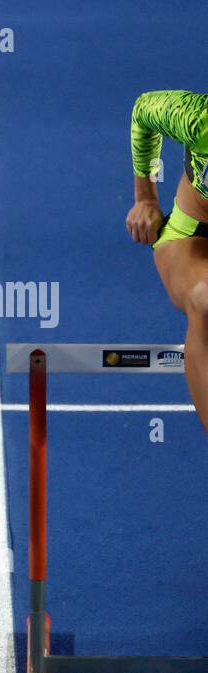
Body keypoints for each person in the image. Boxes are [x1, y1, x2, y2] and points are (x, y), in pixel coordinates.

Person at [126, 90, 208, 432]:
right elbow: (144, 109)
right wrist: (145, 197)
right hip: (192, 236)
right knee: (204, 300)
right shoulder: (198, 119)